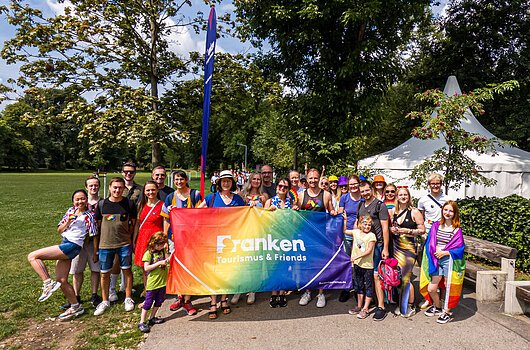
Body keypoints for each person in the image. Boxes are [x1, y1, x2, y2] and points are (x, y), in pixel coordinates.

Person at [27, 189, 97, 320]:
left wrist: (95, 251)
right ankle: (76, 306)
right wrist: (68, 222)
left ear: (86, 200)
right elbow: (59, 229)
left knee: (33, 256)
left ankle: (47, 283)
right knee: (62, 280)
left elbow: (94, 234)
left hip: (72, 245)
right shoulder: (70, 211)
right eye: (77, 199)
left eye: (82, 198)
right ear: (73, 201)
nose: (80, 201)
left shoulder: (90, 215)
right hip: (65, 241)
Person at [198, 170, 245, 319]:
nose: (226, 183)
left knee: (226, 270)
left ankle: (224, 299)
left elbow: (244, 215)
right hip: (213, 239)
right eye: (223, 181)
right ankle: (213, 301)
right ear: (219, 183)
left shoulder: (237, 199)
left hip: (230, 239)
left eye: (229, 181)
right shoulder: (211, 198)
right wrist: (177, 211)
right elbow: (195, 212)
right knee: (214, 271)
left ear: (232, 183)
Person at [93, 177, 137, 316]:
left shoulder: (129, 204)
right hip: (105, 245)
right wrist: (96, 249)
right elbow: (97, 228)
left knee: (127, 271)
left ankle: (128, 298)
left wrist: (128, 238)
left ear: (124, 189)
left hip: (124, 244)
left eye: (120, 188)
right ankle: (105, 300)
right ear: (110, 188)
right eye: (115, 187)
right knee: (104, 274)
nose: (117, 190)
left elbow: (133, 224)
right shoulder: (101, 205)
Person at [161, 170, 201, 316]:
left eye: (181, 179)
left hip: (190, 238)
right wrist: (165, 238)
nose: (179, 182)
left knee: (189, 266)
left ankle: (188, 299)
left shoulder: (195, 195)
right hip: (174, 237)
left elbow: (200, 215)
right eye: (176, 179)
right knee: (176, 266)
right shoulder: (170, 197)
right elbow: (165, 218)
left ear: (186, 180)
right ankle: (179, 296)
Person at [420, 200, 465, 324]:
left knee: (448, 286)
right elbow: (430, 242)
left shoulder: (457, 230)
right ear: (442, 210)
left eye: (451, 211)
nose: (448, 213)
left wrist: (444, 253)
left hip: (448, 260)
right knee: (432, 288)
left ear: (455, 213)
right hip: (435, 259)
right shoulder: (436, 225)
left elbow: (460, 249)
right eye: (446, 210)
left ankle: (447, 312)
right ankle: (438, 306)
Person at [297, 168, 336, 308]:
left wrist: (334, 212)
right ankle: (307, 291)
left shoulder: (325, 194)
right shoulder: (301, 195)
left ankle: (321, 293)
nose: (313, 181)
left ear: (319, 179)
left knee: (321, 265)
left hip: (321, 236)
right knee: (307, 265)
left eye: (315, 178)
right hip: (306, 235)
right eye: (310, 178)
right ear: (307, 180)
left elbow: (330, 209)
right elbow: (297, 211)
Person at [65, 176, 102, 310]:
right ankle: (76, 296)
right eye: (91, 185)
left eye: (96, 185)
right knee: (76, 270)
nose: (94, 188)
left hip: (94, 241)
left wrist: (97, 249)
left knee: (95, 269)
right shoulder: (75, 208)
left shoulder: (102, 202)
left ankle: (94, 295)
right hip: (77, 243)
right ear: (87, 187)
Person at [355, 180, 390, 321]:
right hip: (363, 247)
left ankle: (381, 306)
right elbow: (358, 224)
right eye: (362, 191)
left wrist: (385, 248)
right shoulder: (360, 204)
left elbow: (385, 228)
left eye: (367, 190)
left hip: (377, 246)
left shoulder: (380, 206)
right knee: (365, 276)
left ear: (372, 189)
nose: (364, 193)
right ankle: (368, 303)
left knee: (376, 276)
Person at [389, 187, 425, 317]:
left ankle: (409, 305)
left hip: (409, 248)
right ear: (397, 197)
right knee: (399, 277)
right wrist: (392, 230)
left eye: (405, 195)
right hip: (396, 247)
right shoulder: (393, 211)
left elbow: (422, 230)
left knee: (406, 277)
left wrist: (408, 231)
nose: (403, 197)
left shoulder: (414, 212)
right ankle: (401, 304)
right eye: (400, 195)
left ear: (409, 197)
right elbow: (389, 226)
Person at [417, 173, 450, 308]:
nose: (435, 185)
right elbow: (420, 218)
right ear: (428, 185)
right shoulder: (423, 200)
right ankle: (429, 296)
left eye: (437, 183)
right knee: (428, 267)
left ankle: (441, 298)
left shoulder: (447, 199)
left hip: (443, 237)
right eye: (432, 183)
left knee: (442, 267)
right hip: (428, 236)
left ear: (441, 184)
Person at [264, 177, 293, 308]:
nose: (282, 188)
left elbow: (294, 220)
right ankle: (274, 293)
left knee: (285, 266)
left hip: (286, 238)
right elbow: (261, 219)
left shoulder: (290, 202)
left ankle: (282, 293)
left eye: (285, 187)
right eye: (280, 186)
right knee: (273, 266)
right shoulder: (270, 201)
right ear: (277, 187)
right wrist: (268, 212)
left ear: (288, 189)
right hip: (273, 238)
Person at [134, 181, 164, 296]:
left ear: (157, 190)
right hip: (143, 238)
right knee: (145, 266)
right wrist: (134, 239)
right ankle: (147, 289)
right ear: (144, 192)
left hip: (156, 239)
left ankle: (157, 290)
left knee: (157, 265)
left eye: (153, 190)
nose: (150, 192)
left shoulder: (162, 205)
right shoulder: (141, 205)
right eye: (148, 190)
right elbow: (137, 223)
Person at [137, 232, 170, 333]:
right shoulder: (149, 253)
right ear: (153, 243)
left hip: (162, 282)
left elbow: (167, 259)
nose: (161, 246)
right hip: (153, 283)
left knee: (159, 301)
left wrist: (168, 259)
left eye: (162, 244)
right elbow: (146, 268)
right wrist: (159, 263)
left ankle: (152, 317)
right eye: (159, 245)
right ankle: (142, 322)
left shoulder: (162, 251)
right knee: (148, 303)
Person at [337, 174, 363, 302]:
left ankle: (360, 289)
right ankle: (346, 288)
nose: (353, 186)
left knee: (360, 261)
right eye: (350, 184)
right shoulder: (344, 198)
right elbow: (340, 215)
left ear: (359, 184)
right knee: (347, 261)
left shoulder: (363, 197)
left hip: (361, 234)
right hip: (347, 233)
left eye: (355, 184)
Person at [346, 215, 376, 319]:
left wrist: (356, 256)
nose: (367, 226)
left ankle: (365, 308)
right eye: (365, 224)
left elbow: (369, 250)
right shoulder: (356, 232)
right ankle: (359, 306)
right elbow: (344, 231)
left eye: (369, 225)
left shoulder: (372, 236)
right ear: (360, 224)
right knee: (358, 286)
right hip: (357, 264)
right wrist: (345, 220)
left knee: (368, 287)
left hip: (367, 266)